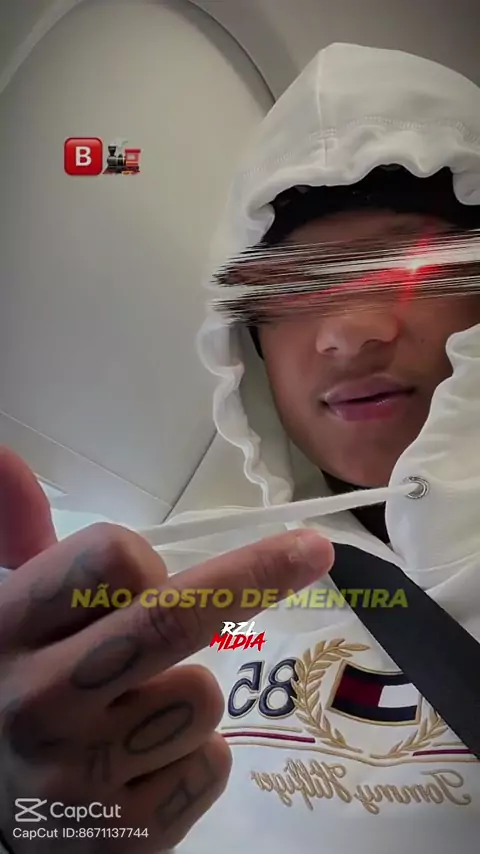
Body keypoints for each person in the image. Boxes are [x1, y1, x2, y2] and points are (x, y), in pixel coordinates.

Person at [0, 41, 480, 854]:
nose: (347, 333)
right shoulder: (170, 595)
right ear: (246, 346)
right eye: (289, 290)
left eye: (409, 263)